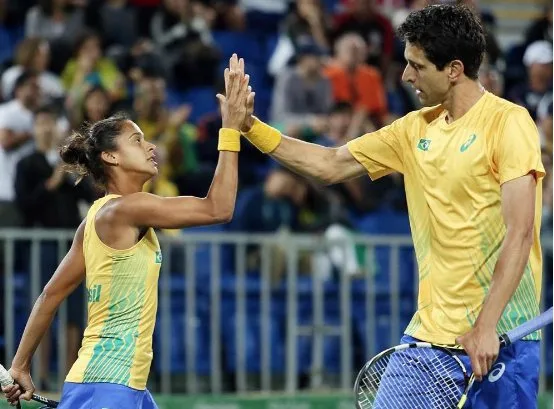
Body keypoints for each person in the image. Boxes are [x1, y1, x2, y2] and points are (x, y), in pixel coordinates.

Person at [230, 4, 545, 408]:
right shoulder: (411, 130)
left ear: (453, 69)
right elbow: (329, 164)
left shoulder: (509, 122)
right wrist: (249, 127)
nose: (405, 76)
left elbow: (519, 233)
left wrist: (485, 326)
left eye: (416, 65)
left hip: (501, 339)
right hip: (427, 341)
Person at [2, 53, 253, 408]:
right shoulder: (128, 207)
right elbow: (219, 208)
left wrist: (20, 364)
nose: (150, 146)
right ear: (111, 157)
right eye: (137, 140)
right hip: (109, 387)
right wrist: (230, 129)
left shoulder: (96, 219)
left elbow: (49, 296)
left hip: (118, 385)